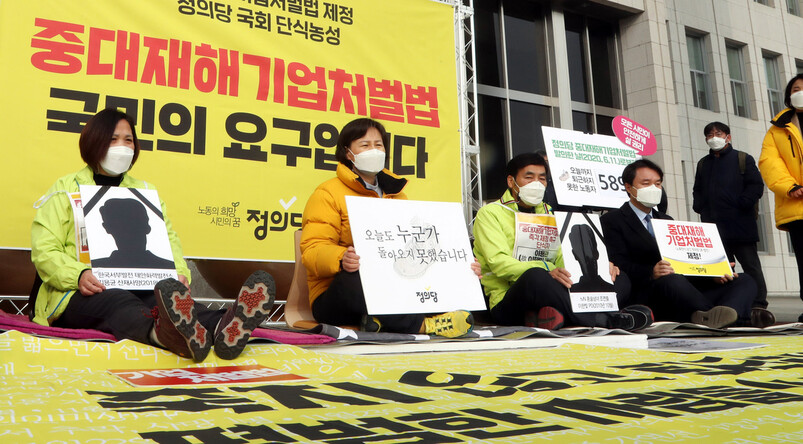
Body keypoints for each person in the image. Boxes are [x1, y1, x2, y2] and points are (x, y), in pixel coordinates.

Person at [30, 108, 276, 362]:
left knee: (176, 306)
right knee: (120, 302)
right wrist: (78, 275)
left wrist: (178, 272)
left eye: (128, 140)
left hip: (141, 282)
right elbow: (44, 249)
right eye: (113, 139)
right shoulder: (65, 190)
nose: (122, 146)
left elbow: (169, 241)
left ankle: (224, 326)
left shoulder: (145, 191)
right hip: (80, 291)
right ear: (94, 141)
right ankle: (163, 334)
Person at [300, 117, 477, 337]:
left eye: (378, 145)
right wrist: (341, 258)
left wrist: (457, 265)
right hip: (336, 294)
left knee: (433, 277)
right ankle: (426, 326)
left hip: (391, 285)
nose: (373, 150)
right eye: (364, 145)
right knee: (361, 276)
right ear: (348, 153)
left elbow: (411, 247)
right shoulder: (327, 193)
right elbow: (311, 249)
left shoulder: (398, 194)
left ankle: (377, 321)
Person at [472, 153, 652, 331]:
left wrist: (598, 268)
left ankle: (558, 315)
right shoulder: (490, 213)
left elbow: (563, 254)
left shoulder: (550, 213)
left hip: (557, 288)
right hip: (509, 298)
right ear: (511, 182)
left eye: (542, 178)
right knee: (535, 277)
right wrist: (548, 270)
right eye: (529, 177)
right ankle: (605, 319)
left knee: (618, 276)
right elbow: (499, 264)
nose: (537, 183)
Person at [601, 159, 756, 328]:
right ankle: (726, 315)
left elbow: (687, 263)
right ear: (629, 187)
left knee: (745, 280)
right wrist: (651, 272)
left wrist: (713, 274)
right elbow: (617, 264)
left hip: (688, 291)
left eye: (658, 184)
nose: (653, 188)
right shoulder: (612, 220)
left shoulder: (667, 220)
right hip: (651, 292)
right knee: (672, 280)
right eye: (646, 183)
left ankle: (721, 315)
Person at [693, 121, 773, 327]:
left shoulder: (742, 159)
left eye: (718, 133)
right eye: (709, 134)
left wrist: (743, 203)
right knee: (721, 269)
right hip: (714, 228)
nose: (714, 137)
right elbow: (698, 189)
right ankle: (727, 304)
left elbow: (756, 185)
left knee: (751, 266)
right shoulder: (703, 163)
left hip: (741, 224)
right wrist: (700, 206)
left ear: (728, 136)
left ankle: (758, 305)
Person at [759, 73, 803, 323]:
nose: (800, 92)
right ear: (788, 96)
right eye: (796, 88)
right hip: (797, 205)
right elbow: (769, 162)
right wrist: (790, 186)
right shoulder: (777, 130)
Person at [91, 198, 176, 269]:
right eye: (123, 225)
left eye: (136, 223)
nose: (128, 233)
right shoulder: (93, 270)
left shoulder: (169, 269)